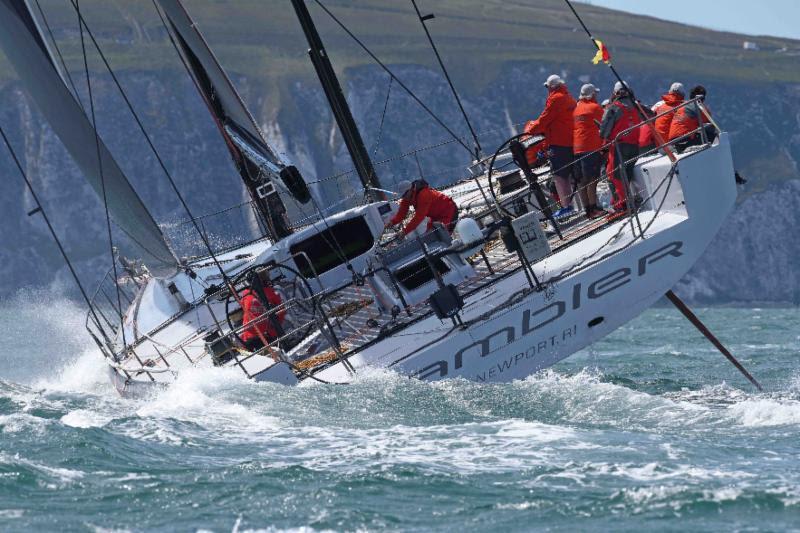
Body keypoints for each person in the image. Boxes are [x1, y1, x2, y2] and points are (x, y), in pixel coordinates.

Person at [526, 74, 577, 218]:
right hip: (571, 141)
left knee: (559, 176)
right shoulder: (569, 98)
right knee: (570, 175)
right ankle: (576, 205)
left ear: (550, 87)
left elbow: (544, 119)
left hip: (558, 143)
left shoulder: (555, 99)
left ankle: (567, 207)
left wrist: (531, 129)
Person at [600, 81, 640, 213]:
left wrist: (604, 138)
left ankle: (622, 204)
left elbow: (604, 130)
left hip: (618, 146)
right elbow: (650, 114)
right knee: (627, 174)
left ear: (615, 93)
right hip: (634, 145)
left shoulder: (613, 108)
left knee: (615, 174)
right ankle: (619, 201)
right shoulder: (636, 105)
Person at [572, 83, 607, 219]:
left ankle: (587, 211)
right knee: (592, 179)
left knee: (581, 181)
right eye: (595, 94)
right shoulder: (594, 107)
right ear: (592, 95)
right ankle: (595, 208)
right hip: (590, 147)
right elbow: (606, 124)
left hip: (576, 149)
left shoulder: (575, 109)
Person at [387, 179, 459, 236]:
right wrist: (392, 222)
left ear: (411, 189)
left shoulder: (423, 195)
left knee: (442, 235)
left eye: (405, 194)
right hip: (435, 217)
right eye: (403, 196)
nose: (404, 197)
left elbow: (419, 217)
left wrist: (404, 232)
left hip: (449, 211)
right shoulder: (407, 198)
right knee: (430, 236)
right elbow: (402, 213)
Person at [240, 272, 285, 352]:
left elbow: (244, 307)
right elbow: (282, 311)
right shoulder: (271, 292)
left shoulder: (245, 293)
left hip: (248, 337)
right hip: (268, 337)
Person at [669, 85, 715, 151]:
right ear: (703, 97)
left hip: (673, 141)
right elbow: (709, 123)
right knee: (711, 134)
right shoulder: (699, 107)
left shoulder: (682, 105)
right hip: (684, 140)